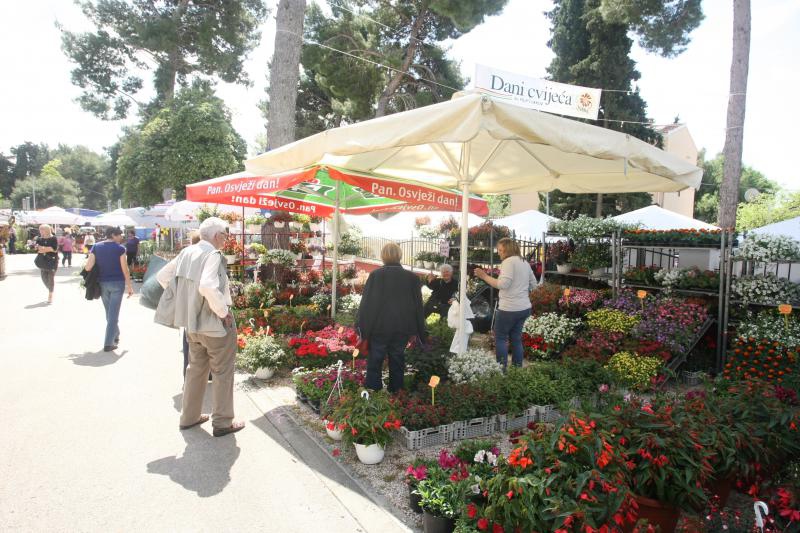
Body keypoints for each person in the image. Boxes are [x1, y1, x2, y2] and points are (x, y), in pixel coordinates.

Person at [156, 218, 244, 437]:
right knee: (223, 371)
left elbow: (162, 276)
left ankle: (189, 416)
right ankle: (223, 422)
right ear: (217, 236)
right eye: (225, 235)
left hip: (192, 324)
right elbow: (207, 285)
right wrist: (223, 312)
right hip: (214, 323)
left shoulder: (187, 252)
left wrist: (187, 299)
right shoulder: (213, 255)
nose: (226, 240)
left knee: (195, 369)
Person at [357, 242, 426, 393]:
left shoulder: (376, 275)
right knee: (397, 360)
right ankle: (397, 392)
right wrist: (417, 330)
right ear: (400, 255)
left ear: (383, 256)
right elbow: (418, 306)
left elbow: (368, 304)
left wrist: (363, 330)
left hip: (380, 327)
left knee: (375, 360)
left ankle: (373, 391)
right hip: (403, 327)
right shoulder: (412, 278)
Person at [474, 238, 536, 370]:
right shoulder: (524, 262)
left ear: (508, 250)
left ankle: (501, 371)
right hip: (524, 308)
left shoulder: (508, 262)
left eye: (501, 250)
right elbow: (533, 284)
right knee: (516, 339)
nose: (499, 253)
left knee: (501, 338)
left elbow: (503, 284)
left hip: (509, 309)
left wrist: (484, 276)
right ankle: (516, 370)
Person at [84, 227, 134, 351]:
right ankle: (108, 343)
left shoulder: (96, 247)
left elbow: (88, 267)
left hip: (102, 283)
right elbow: (125, 270)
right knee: (113, 315)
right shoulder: (120, 249)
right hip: (117, 283)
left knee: (109, 313)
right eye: (119, 235)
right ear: (113, 235)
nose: (121, 237)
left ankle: (115, 335)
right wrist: (129, 286)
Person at [35, 225, 59, 303]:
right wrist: (46, 249)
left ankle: (50, 294)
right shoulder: (39, 238)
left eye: (42, 230)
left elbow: (54, 249)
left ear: (46, 230)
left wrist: (43, 249)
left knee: (50, 278)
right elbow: (37, 249)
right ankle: (50, 289)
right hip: (42, 261)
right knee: (44, 278)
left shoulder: (53, 238)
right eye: (40, 230)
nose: (40, 232)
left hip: (52, 261)